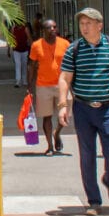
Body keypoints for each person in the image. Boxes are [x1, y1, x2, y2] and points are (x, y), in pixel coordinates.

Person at [58, 7, 109, 215]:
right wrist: (63, 105)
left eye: (88, 23)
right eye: (82, 24)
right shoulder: (74, 49)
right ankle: (94, 201)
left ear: (99, 25)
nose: (84, 27)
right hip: (83, 108)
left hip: (108, 107)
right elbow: (64, 78)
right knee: (87, 155)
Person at [28, 18, 68, 155]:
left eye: (54, 27)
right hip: (43, 85)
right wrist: (29, 85)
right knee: (47, 116)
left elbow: (71, 65)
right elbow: (31, 66)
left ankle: (57, 134)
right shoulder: (36, 45)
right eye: (49, 28)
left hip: (62, 85)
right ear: (43, 31)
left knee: (65, 115)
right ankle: (50, 146)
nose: (53, 30)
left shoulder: (65, 44)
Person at [10, 19, 32, 88]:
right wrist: (8, 49)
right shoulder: (13, 28)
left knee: (24, 65)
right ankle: (18, 81)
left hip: (24, 50)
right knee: (18, 64)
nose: (17, 23)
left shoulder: (25, 29)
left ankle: (24, 80)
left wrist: (32, 48)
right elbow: (10, 39)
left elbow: (29, 38)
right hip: (16, 50)